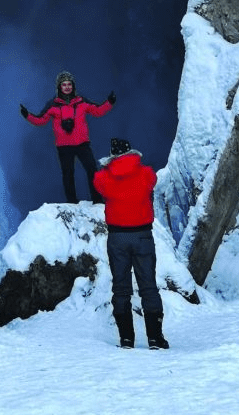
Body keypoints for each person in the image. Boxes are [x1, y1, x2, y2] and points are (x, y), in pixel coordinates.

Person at [93, 137, 169, 350]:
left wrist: (110, 165)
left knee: (121, 288)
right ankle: (155, 338)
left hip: (117, 238)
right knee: (149, 287)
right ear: (131, 152)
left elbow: (98, 179)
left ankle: (126, 339)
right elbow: (152, 179)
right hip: (143, 236)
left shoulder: (104, 178)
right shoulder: (145, 173)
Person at [19, 70, 116, 203]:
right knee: (68, 175)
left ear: (73, 86)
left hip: (82, 143)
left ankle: (97, 200)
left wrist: (109, 102)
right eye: (64, 84)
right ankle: (72, 202)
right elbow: (41, 120)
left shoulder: (81, 101)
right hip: (64, 146)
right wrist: (27, 115)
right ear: (59, 87)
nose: (67, 87)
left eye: (69, 84)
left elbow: (97, 111)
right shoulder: (52, 104)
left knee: (92, 170)